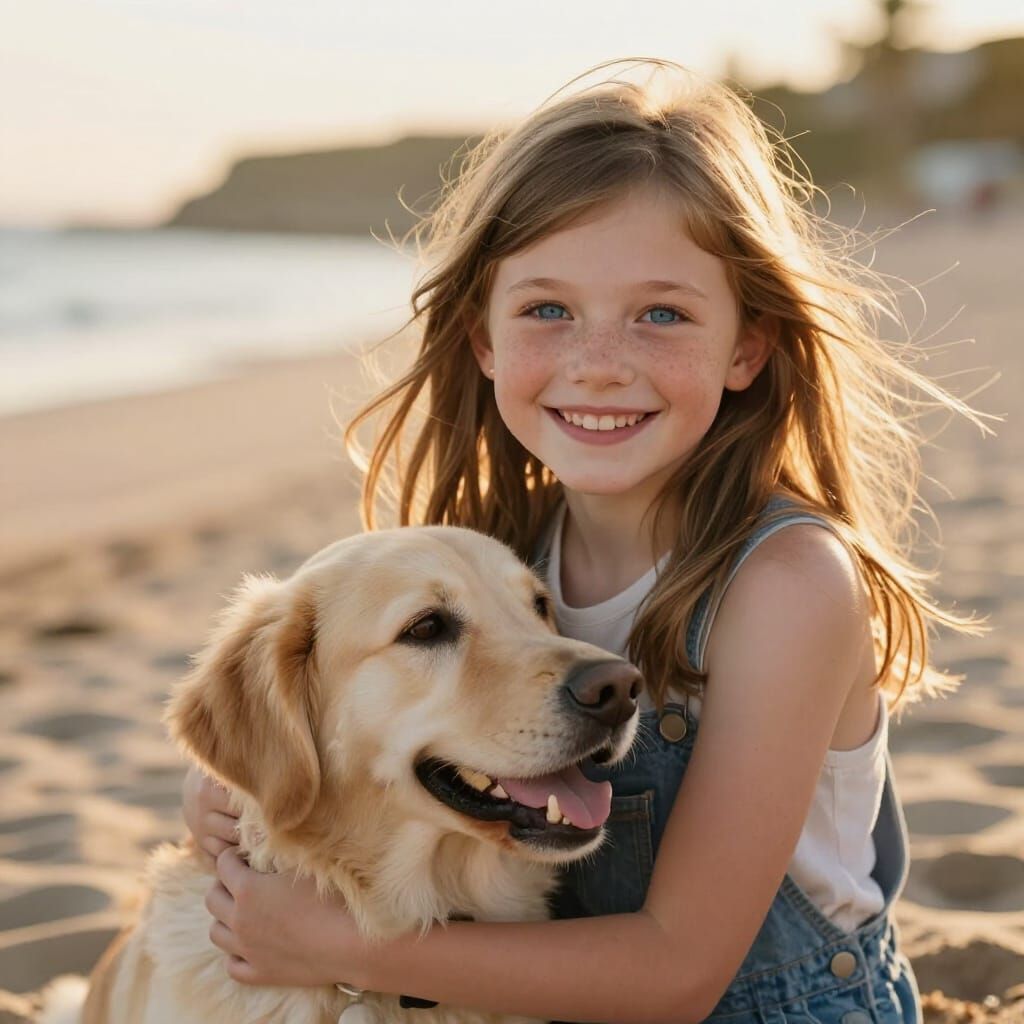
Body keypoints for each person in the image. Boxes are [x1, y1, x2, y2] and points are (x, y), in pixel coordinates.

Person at [182, 59, 988, 1023]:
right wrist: (224, 790)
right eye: (548, 310)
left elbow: (677, 972)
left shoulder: (787, 585)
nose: (599, 365)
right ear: (483, 338)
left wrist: (338, 948)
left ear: (748, 345)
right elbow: (309, 702)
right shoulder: (498, 553)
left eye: (661, 315)